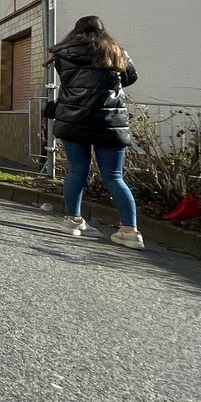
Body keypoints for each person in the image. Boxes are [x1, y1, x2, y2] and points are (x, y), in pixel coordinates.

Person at [48, 15, 143, 249]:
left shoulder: (66, 52)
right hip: (109, 120)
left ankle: (73, 220)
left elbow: (68, 80)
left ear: (76, 31)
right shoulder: (115, 51)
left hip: (73, 118)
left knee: (76, 171)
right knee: (114, 176)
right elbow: (130, 77)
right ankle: (130, 231)